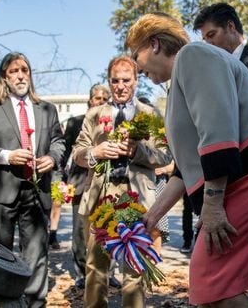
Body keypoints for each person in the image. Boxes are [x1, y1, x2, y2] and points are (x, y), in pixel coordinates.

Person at [125, 12, 248, 307]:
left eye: (136, 55)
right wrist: (152, 216)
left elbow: (217, 131)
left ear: (154, 43)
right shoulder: (184, 73)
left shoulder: (192, 56)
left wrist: (213, 205)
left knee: (210, 280)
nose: (138, 69)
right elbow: (186, 168)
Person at [73, 56, 171, 308]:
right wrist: (96, 152)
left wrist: (136, 151)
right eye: (115, 81)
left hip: (136, 198)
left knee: (135, 267)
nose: (120, 86)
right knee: (96, 267)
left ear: (136, 81)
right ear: (109, 82)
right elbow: (78, 154)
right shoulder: (94, 115)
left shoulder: (150, 114)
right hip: (100, 198)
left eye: (126, 80)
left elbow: (164, 155)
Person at [0, 52, 65, 307]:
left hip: (36, 192)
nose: (21, 75)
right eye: (14, 71)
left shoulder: (46, 109)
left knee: (36, 258)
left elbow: (58, 141)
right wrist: (6, 156)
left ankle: (35, 303)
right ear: (4, 76)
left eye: (25, 70)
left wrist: (53, 158)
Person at [63, 83, 121, 288]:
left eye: (105, 99)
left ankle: (109, 271)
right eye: (98, 99)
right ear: (90, 100)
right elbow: (66, 155)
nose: (101, 103)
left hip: (109, 185)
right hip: (80, 184)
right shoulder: (75, 122)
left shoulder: (116, 123)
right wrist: (62, 182)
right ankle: (81, 272)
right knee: (80, 232)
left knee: (110, 229)